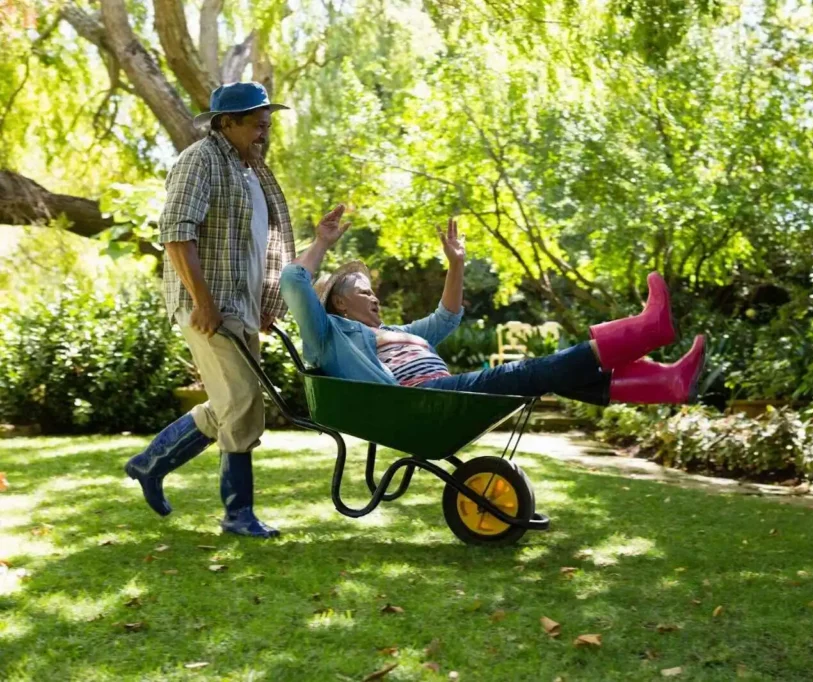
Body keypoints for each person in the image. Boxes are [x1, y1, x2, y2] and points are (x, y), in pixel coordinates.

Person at [279, 206, 706, 406]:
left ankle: (666, 384)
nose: (375, 297)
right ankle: (647, 330)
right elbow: (294, 280)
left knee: (557, 377)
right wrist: (322, 243)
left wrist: (456, 265)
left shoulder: (397, 333)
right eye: (363, 291)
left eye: (373, 291)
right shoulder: (329, 337)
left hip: (441, 393)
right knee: (529, 370)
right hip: (417, 402)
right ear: (339, 303)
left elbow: (446, 317)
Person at [123, 82, 295, 539]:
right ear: (227, 123)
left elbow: (257, 246)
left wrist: (265, 300)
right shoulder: (199, 160)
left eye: (267, 123)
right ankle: (238, 514)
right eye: (257, 123)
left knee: (231, 403)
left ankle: (150, 464)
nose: (264, 131)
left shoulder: (249, 171)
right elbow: (176, 233)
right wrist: (204, 303)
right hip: (210, 304)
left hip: (240, 303)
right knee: (241, 402)